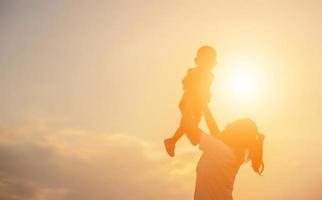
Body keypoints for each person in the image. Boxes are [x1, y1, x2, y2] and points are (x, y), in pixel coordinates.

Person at [191, 105, 265, 200]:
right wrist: (203, 105)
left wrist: (190, 101)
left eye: (231, 125)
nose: (228, 124)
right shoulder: (232, 154)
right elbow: (215, 131)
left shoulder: (221, 151)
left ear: (235, 134)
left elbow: (189, 127)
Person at [164, 46, 217, 157]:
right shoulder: (196, 72)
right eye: (208, 60)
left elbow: (206, 88)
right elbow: (186, 83)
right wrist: (195, 89)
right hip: (191, 101)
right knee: (188, 125)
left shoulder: (208, 75)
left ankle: (172, 141)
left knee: (190, 126)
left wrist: (205, 96)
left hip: (196, 103)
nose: (210, 64)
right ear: (201, 60)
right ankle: (172, 141)